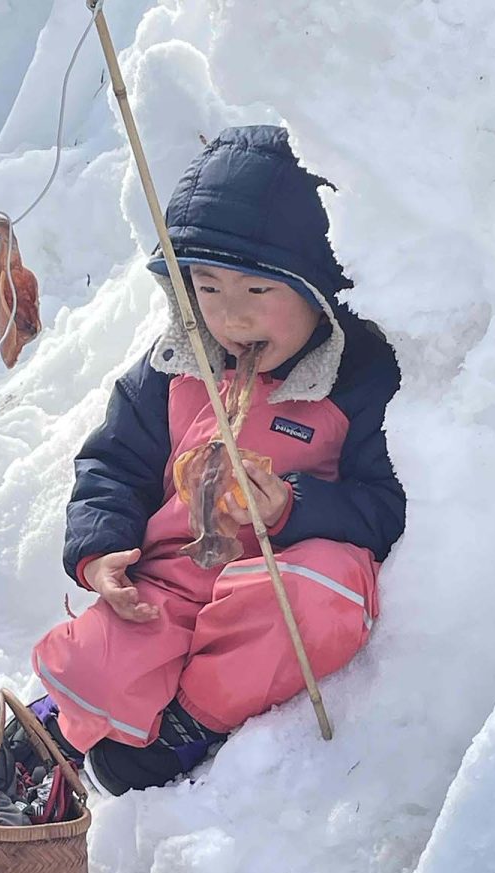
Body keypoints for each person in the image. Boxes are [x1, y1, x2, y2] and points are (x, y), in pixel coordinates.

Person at [31, 125, 406, 795]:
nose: (230, 316)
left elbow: (386, 507)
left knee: (318, 600)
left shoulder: (355, 384)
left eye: (258, 292)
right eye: (206, 287)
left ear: (318, 289)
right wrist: (102, 548)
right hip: (170, 583)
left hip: (273, 582)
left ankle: (187, 726)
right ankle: (57, 731)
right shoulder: (176, 368)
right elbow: (113, 464)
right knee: (92, 663)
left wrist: (293, 506)